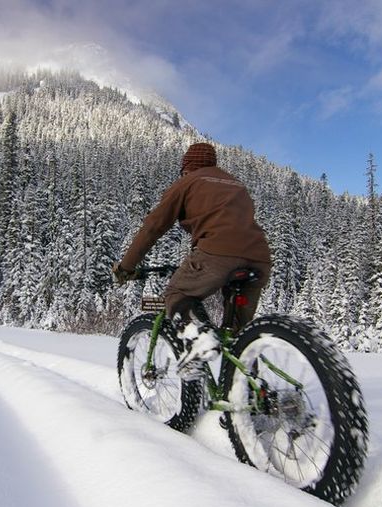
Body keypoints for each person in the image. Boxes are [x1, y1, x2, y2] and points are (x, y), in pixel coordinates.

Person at [113, 142, 272, 379]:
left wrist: (126, 267)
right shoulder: (237, 184)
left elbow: (153, 227)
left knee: (176, 296)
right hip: (260, 258)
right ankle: (251, 397)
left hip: (217, 254)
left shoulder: (187, 182)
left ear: (187, 166)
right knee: (241, 336)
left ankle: (199, 341)